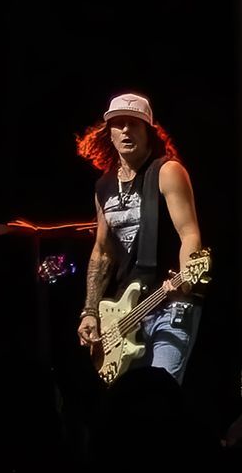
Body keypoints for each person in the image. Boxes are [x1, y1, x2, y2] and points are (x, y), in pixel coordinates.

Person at [75, 92, 206, 383]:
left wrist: (186, 278)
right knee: (127, 408)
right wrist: (90, 312)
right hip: (124, 314)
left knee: (161, 396)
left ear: (148, 131)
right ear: (107, 133)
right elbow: (103, 252)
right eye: (118, 124)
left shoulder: (167, 172)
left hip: (169, 304)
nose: (125, 130)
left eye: (134, 124)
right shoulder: (104, 185)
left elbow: (190, 234)